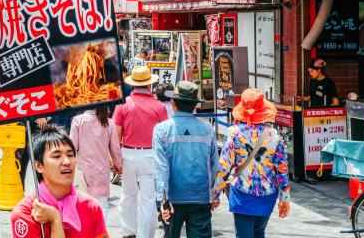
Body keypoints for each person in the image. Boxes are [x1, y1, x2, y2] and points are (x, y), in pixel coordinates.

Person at [215, 89, 290, 238]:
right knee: (259, 232)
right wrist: (284, 199)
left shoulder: (234, 133)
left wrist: (215, 194)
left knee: (243, 234)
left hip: (242, 192)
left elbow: (224, 166)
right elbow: (282, 169)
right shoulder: (274, 135)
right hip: (268, 193)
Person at [10, 125, 109, 238]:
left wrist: (55, 218)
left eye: (70, 155)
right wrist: (56, 220)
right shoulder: (24, 214)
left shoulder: (92, 206)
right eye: (57, 156)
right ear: (38, 166)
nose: (67, 162)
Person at [154, 81, 219, 238]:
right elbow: (214, 164)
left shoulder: (161, 130)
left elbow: (161, 167)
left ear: (173, 102)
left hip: (172, 198)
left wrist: (163, 200)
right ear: (195, 105)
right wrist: (213, 194)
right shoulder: (207, 129)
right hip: (201, 196)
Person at [113, 65, 167, 238]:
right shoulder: (159, 107)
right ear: (149, 85)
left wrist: (115, 159)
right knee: (149, 199)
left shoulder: (122, 105)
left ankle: (129, 232)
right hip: (151, 155)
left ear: (133, 85)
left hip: (128, 154)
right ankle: (147, 235)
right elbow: (163, 137)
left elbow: (116, 134)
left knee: (127, 195)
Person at [69, 106, 122, 203]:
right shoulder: (109, 122)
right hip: (101, 172)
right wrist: (119, 165)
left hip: (82, 171)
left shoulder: (78, 120)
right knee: (101, 208)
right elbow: (115, 148)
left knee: (83, 206)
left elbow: (72, 147)